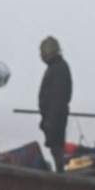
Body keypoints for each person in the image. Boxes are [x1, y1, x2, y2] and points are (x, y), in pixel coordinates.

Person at [37, 36, 72, 172]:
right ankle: (59, 171)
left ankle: (60, 173)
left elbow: (58, 96)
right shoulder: (56, 67)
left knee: (57, 148)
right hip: (52, 116)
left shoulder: (58, 68)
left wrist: (50, 119)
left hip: (55, 117)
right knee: (55, 148)